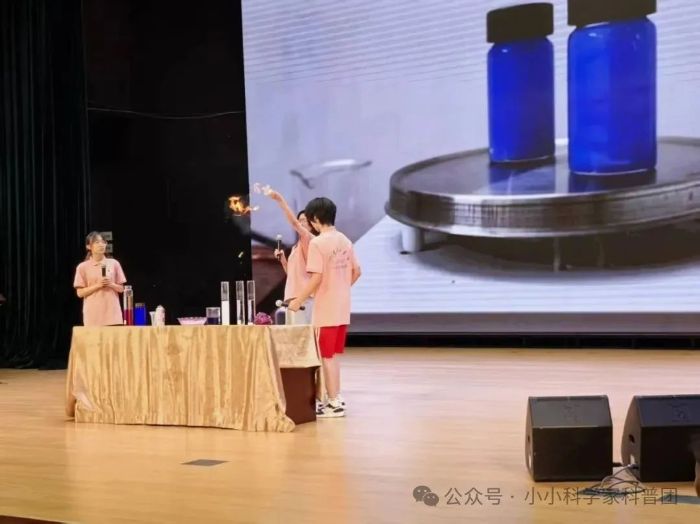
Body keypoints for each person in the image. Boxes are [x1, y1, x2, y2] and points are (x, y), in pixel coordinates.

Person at [289, 197, 361, 418]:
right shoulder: (345, 240)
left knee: (326, 357)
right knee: (333, 356)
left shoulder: (318, 243)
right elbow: (357, 271)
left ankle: (333, 402)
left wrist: (298, 300)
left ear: (315, 219)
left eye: (310, 220)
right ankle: (335, 398)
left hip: (326, 310)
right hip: (342, 308)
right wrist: (340, 288)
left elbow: (316, 277)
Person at [265, 189, 317, 324]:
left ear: (312, 224)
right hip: (292, 298)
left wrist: (279, 200)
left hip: (304, 299)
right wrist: (283, 260)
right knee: (294, 335)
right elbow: (293, 274)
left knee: (302, 335)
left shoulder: (310, 240)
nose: (300, 223)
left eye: (304, 221)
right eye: (300, 220)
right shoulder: (296, 247)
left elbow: (294, 224)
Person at [73, 231, 127, 326]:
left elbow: (121, 289)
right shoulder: (82, 267)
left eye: (103, 242)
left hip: (113, 314)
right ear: (88, 246)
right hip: (93, 315)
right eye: (97, 242)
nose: (101, 245)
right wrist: (98, 285)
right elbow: (80, 293)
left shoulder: (114, 263)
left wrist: (111, 284)